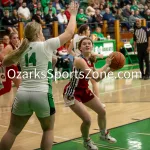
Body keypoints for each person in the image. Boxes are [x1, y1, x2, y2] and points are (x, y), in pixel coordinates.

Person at [0, 1, 79, 150]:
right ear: (37, 33)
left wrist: (52, 62)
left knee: (12, 131)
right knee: (48, 130)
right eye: (42, 32)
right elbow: (69, 33)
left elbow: (4, 62)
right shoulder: (46, 45)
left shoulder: (22, 49)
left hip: (22, 93)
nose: (43, 34)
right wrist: (73, 15)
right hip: (42, 93)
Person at [63, 37, 117, 150]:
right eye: (84, 44)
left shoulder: (90, 60)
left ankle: (103, 134)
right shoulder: (79, 60)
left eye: (89, 43)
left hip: (84, 90)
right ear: (80, 48)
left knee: (102, 111)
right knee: (87, 119)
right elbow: (95, 76)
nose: (87, 45)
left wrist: (110, 70)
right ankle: (86, 141)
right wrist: (107, 65)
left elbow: (96, 79)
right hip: (72, 92)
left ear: (92, 46)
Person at [68, 24, 105, 107]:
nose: (89, 31)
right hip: (85, 61)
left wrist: (76, 56)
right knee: (94, 81)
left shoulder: (75, 38)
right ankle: (98, 103)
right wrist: (98, 55)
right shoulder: (85, 39)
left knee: (78, 82)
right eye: (88, 30)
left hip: (77, 62)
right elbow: (89, 52)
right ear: (84, 31)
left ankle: (78, 99)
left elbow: (69, 50)